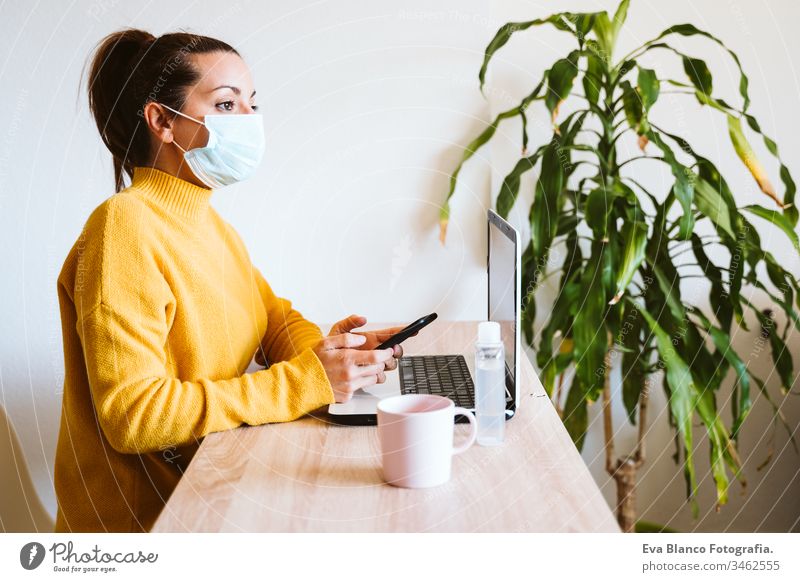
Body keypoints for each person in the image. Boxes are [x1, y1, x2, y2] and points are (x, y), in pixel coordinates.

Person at [54, 28, 404, 532]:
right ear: (161, 121)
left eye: (252, 105)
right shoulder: (123, 227)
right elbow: (133, 415)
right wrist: (307, 381)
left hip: (214, 487)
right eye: (225, 105)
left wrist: (333, 353)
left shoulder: (209, 224)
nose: (250, 121)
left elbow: (271, 319)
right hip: (149, 526)